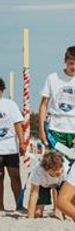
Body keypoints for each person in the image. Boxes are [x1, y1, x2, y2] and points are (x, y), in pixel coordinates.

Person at [38, 45, 75, 151]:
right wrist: (41, 130)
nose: (74, 67)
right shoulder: (52, 78)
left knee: (74, 164)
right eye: (71, 63)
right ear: (65, 61)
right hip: (55, 129)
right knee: (54, 164)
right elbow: (43, 105)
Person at [0, 78, 26, 210]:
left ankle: (19, 205)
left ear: (2, 91)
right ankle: (0, 207)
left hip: (10, 148)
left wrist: (22, 143)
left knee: (15, 177)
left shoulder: (10, 105)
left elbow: (18, 124)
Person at [25, 151, 65, 218]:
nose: (59, 171)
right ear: (46, 169)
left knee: (63, 213)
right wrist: (30, 217)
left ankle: (56, 210)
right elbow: (34, 193)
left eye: (60, 168)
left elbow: (65, 192)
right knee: (37, 213)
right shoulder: (38, 170)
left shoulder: (65, 169)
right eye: (55, 169)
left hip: (58, 185)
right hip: (43, 185)